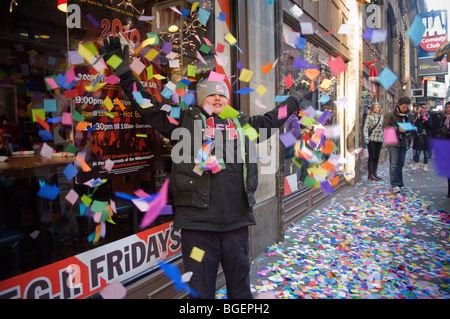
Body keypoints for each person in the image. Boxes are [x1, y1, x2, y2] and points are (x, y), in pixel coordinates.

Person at [100, 36, 312, 299]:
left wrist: (293, 100)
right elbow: (149, 108)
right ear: (201, 99)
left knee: (240, 290)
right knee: (200, 292)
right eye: (211, 94)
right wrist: (125, 74)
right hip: (198, 227)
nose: (217, 98)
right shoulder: (183, 122)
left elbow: (271, 120)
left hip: (236, 223)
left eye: (221, 94)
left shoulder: (241, 124)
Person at [382, 96, 414, 193]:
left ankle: (400, 183)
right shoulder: (390, 114)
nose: (405, 109)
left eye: (406, 107)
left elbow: (411, 125)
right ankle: (395, 184)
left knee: (400, 163)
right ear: (399, 105)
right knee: (394, 164)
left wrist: (409, 129)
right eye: (403, 107)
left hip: (404, 141)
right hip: (393, 141)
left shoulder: (409, 114)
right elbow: (384, 126)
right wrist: (397, 129)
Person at [363, 102, 384, 181]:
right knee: (372, 156)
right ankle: (370, 174)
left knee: (377, 156)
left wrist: (383, 136)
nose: (376, 109)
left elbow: (383, 127)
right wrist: (366, 138)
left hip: (379, 139)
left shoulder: (381, 116)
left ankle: (375, 173)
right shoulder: (369, 116)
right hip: (371, 138)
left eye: (377, 107)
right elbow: (365, 127)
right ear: (372, 108)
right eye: (375, 108)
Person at [412, 106, 432, 171]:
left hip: (426, 136)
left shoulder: (429, 117)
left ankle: (425, 165)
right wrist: (418, 119)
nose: (423, 112)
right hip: (419, 136)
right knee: (417, 151)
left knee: (426, 152)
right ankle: (416, 164)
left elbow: (430, 126)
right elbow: (416, 125)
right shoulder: (419, 116)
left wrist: (426, 120)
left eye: (424, 110)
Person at [438, 101, 450, 197]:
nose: (448, 109)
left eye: (449, 107)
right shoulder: (443, 118)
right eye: (446, 107)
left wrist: (446, 133)